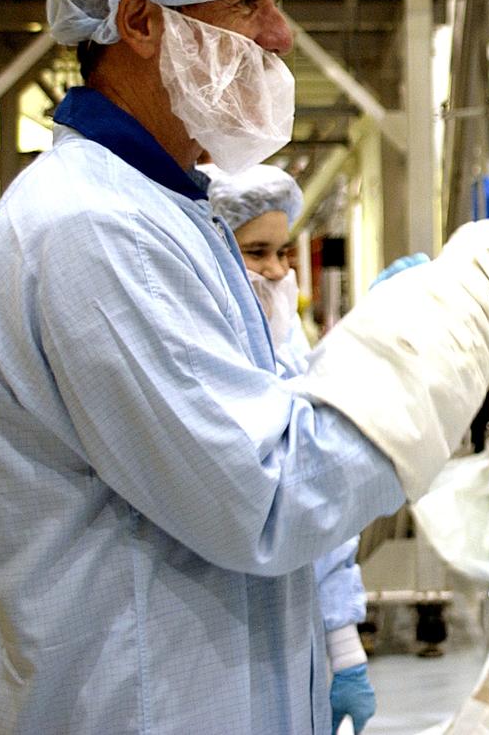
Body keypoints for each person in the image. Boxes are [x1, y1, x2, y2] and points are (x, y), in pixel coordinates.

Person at [0, 0, 489, 735]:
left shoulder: (172, 210)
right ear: (141, 21)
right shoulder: (93, 228)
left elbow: (263, 419)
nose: (281, 34)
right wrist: (458, 311)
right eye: (249, 3)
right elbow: (267, 494)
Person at [202, 162, 387, 734]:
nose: (279, 272)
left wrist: (344, 646)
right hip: (214, 637)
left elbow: (323, 519)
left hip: (291, 632)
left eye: (284, 253)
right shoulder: (205, 365)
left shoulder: (287, 356)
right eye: (257, 252)